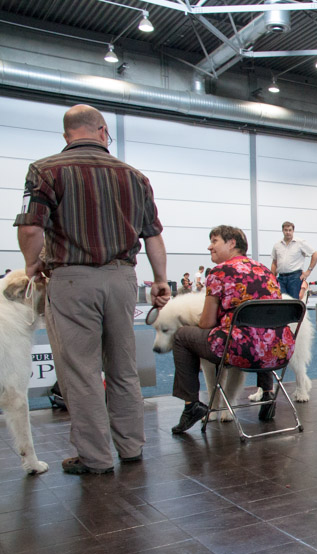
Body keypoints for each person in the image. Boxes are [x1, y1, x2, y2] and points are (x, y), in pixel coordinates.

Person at [14, 103, 169, 474]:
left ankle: (96, 457)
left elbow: (31, 227)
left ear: (67, 135)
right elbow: (154, 235)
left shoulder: (44, 170)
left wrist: (31, 264)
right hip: (122, 278)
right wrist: (161, 280)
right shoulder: (135, 175)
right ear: (102, 132)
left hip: (71, 278)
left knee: (81, 371)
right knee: (123, 368)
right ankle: (131, 447)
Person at [170, 226, 294, 434]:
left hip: (239, 351)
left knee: (183, 336)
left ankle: (191, 405)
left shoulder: (219, 272)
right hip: (278, 352)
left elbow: (207, 323)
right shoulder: (266, 271)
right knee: (261, 334)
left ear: (232, 243)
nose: (209, 246)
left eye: (215, 241)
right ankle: (267, 392)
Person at [271, 221, 317, 299]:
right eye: (286, 230)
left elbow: (315, 255)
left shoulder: (300, 243)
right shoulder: (277, 245)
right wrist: (272, 277)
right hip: (281, 278)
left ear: (293, 231)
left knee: (294, 302)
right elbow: (274, 262)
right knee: (281, 302)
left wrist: (308, 272)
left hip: (295, 277)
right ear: (283, 231)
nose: (288, 232)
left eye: (290, 230)